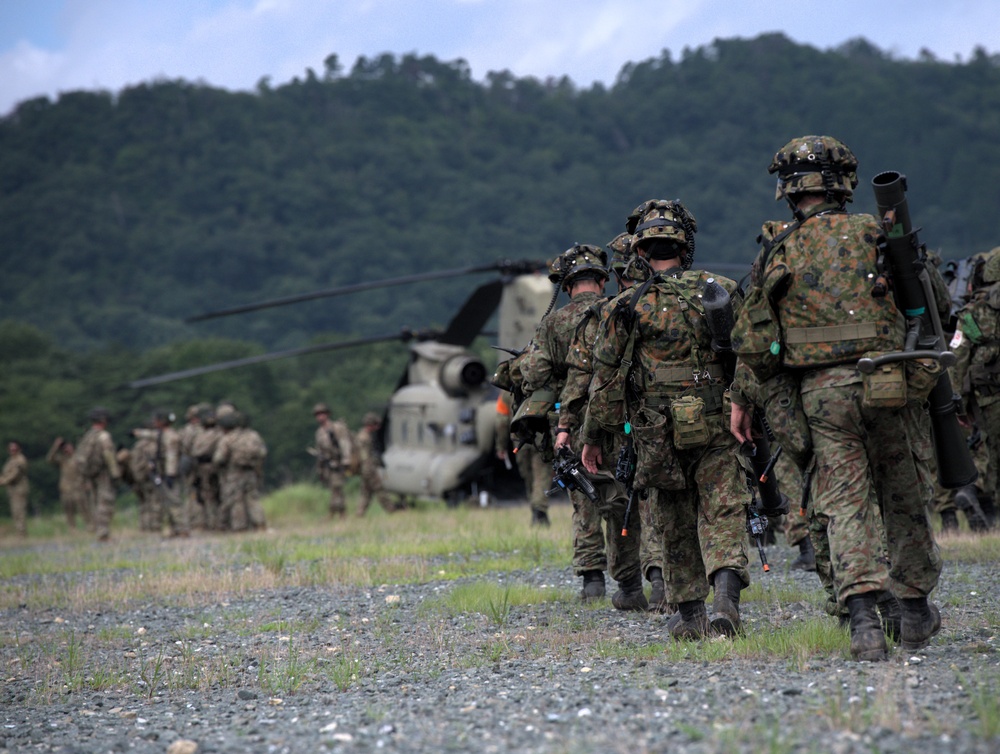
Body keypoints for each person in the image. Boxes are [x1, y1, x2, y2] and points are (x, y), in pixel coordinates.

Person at [729, 135, 942, 660]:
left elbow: (754, 342)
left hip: (822, 397)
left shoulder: (776, 249)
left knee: (845, 502)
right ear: (844, 183)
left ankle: (867, 621)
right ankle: (913, 611)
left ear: (787, 189)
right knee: (903, 494)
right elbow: (933, 302)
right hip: (889, 383)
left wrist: (741, 397)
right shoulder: (878, 234)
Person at [581, 200, 752, 638]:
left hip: (656, 429)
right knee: (723, 507)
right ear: (685, 245)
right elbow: (750, 355)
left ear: (641, 252)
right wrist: (744, 405)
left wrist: (594, 435)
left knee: (672, 515)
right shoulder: (723, 289)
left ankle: (692, 615)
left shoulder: (626, 305)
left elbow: (605, 377)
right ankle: (726, 602)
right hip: (716, 419)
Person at [519, 243, 616, 603]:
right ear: (602, 280)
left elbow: (534, 372)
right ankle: (642, 577)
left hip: (571, 422)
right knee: (631, 498)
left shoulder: (554, 322)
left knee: (585, 500)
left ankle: (593, 581)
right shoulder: (619, 311)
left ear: (566, 284)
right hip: (623, 418)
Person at [495, 390, 551, 525]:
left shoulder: (507, 392)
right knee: (541, 476)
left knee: (529, 477)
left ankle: (537, 509)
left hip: (520, 442)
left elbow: (502, 420)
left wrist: (501, 446)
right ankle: (539, 510)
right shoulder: (542, 387)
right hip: (541, 439)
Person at [132, 410, 189, 537]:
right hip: (164, 472)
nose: (154, 422)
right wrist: (137, 433)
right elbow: (151, 435)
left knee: (174, 501)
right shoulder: (163, 435)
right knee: (168, 501)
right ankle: (174, 529)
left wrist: (170, 474)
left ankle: (182, 528)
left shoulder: (170, 437)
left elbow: (171, 456)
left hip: (170, 474)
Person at [213, 410, 267, 531]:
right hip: (251, 471)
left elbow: (219, 458)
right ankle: (260, 524)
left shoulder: (228, 438)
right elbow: (262, 452)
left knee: (236, 501)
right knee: (253, 498)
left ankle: (240, 527)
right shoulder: (254, 435)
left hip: (234, 473)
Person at [75, 407, 121, 541]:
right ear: (103, 420)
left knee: (95, 501)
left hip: (90, 474)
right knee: (105, 501)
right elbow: (108, 455)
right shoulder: (103, 436)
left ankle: (98, 529)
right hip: (103, 473)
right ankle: (103, 532)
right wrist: (115, 473)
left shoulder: (88, 436)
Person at [355, 412, 403, 516]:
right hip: (368, 468)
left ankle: (360, 513)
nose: (377, 427)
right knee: (380, 490)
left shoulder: (363, 435)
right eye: (375, 425)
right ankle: (391, 510)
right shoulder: (364, 438)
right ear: (370, 425)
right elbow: (365, 457)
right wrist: (371, 466)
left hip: (365, 468)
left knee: (366, 492)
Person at [312, 403, 355, 518]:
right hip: (327, 464)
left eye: (322, 414)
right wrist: (320, 468)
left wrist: (346, 461)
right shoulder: (319, 432)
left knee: (336, 488)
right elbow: (320, 450)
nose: (320, 417)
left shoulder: (336, 428)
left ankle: (332, 513)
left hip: (338, 462)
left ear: (327, 415)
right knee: (335, 488)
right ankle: (342, 513)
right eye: (318, 415)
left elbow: (345, 444)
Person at [46, 437, 90, 530]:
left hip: (78, 486)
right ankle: (72, 528)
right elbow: (49, 459)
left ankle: (89, 525)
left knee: (83, 507)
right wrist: (55, 446)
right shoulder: (62, 459)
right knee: (68, 509)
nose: (66, 450)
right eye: (64, 448)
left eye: (68, 447)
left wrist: (87, 482)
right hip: (66, 488)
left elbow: (86, 471)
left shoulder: (78, 458)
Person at [0, 441, 30, 537]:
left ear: (19, 449)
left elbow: (15, 474)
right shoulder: (11, 460)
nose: (12, 450)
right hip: (12, 490)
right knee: (15, 512)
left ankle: (22, 534)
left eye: (14, 449)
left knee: (19, 512)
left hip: (19, 489)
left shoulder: (20, 460)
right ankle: (19, 533)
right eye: (10, 449)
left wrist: (3, 481)